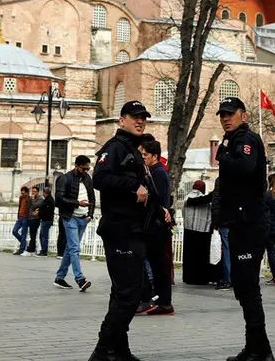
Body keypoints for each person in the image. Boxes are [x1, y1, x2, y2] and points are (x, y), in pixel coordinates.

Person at [90, 100, 153, 361]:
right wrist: (131, 187)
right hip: (120, 229)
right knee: (128, 294)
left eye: (143, 118)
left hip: (133, 228)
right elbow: (100, 179)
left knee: (125, 291)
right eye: (134, 117)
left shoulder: (132, 149)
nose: (139, 121)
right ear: (121, 120)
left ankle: (120, 350)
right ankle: (103, 350)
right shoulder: (114, 148)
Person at [213, 96, 274, 361]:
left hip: (249, 222)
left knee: (248, 286)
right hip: (239, 222)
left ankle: (261, 351)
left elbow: (245, 167)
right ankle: (255, 348)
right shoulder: (233, 141)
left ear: (243, 116)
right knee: (242, 286)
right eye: (222, 115)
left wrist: (224, 156)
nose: (225, 118)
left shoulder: (246, 140)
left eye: (230, 114)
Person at [136, 136, 174, 316]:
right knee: (156, 265)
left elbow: (157, 198)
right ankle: (158, 299)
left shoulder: (158, 173)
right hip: (155, 224)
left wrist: (161, 209)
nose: (143, 157)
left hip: (156, 226)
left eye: (145, 154)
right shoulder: (152, 171)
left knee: (159, 266)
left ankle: (162, 301)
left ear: (155, 156)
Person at [54, 155, 95, 291]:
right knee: (74, 248)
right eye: (84, 168)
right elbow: (59, 199)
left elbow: (92, 197)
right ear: (77, 166)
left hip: (83, 218)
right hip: (69, 217)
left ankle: (60, 278)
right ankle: (80, 279)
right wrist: (78, 203)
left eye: (88, 169)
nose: (86, 171)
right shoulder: (64, 178)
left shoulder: (87, 178)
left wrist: (90, 214)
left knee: (70, 248)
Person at [181, 180, 214, 285]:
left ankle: (188, 277)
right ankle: (201, 278)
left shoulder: (187, 198)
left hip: (189, 230)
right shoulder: (205, 200)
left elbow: (183, 213)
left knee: (189, 256)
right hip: (203, 232)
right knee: (201, 257)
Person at [12, 186, 30, 255]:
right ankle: (24, 243)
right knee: (14, 231)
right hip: (20, 217)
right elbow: (20, 207)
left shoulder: (29, 199)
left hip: (25, 218)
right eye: (21, 193)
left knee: (23, 234)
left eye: (23, 193)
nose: (22, 194)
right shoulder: (21, 198)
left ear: (27, 193)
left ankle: (22, 249)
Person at [38, 187, 55, 256]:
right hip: (46, 220)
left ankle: (44, 250)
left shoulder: (49, 200)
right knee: (42, 235)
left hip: (46, 220)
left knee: (43, 235)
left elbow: (46, 210)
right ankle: (43, 249)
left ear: (45, 193)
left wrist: (40, 214)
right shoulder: (49, 200)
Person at [26, 186, 43, 254]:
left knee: (33, 234)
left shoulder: (40, 199)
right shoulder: (31, 198)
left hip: (36, 218)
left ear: (38, 192)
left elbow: (35, 205)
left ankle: (31, 249)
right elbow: (28, 206)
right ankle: (32, 248)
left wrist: (32, 199)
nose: (33, 193)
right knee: (31, 234)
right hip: (30, 218)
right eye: (32, 191)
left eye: (35, 191)